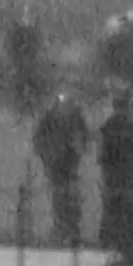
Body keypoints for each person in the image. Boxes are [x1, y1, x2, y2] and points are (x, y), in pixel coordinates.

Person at [98, 88, 133, 266]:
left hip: (115, 183)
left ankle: (118, 256)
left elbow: (104, 157)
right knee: (132, 223)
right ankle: (130, 258)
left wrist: (110, 176)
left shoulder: (109, 127)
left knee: (116, 222)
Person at [33, 90, 90, 248]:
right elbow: (39, 139)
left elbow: (83, 139)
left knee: (71, 198)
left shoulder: (76, 117)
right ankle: (61, 232)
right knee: (59, 199)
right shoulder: (50, 117)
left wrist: (79, 148)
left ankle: (71, 232)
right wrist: (47, 154)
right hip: (56, 166)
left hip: (70, 165)